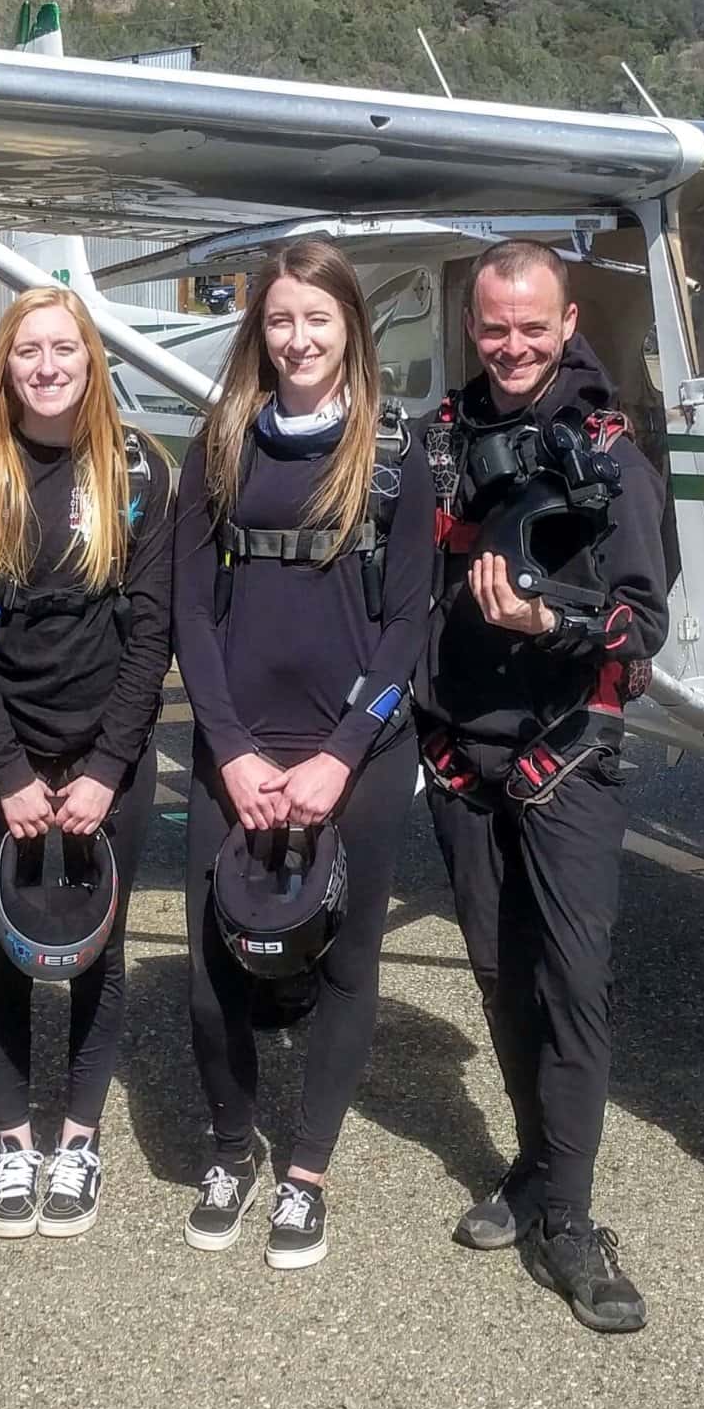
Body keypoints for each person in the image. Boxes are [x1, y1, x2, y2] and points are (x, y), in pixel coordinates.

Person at [419, 239, 668, 1335]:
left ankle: (569, 1216)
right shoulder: (440, 440)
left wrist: (545, 619)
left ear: (568, 325)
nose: (512, 345)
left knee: (571, 983)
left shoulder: (612, 451)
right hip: (457, 757)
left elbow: (644, 624)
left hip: (565, 750)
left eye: (533, 326)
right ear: (471, 327)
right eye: (492, 326)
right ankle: (531, 1166)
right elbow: (403, 593)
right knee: (497, 973)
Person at [172, 239, 433, 1270]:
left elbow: (408, 622)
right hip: (235, 750)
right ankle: (231, 1150)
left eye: (317, 320)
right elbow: (193, 614)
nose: (297, 339)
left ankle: (306, 1171)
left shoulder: (394, 456)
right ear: (259, 330)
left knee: (345, 963)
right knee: (209, 969)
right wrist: (231, 750)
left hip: (354, 752)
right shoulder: (222, 446)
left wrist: (340, 752)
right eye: (280, 320)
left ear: (350, 331)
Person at [0, 287, 177, 1240]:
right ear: (5, 364)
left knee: (97, 953)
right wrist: (13, 774)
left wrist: (108, 766)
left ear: (91, 358)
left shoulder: (137, 470)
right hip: (4, 763)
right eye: (28, 350)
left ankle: (77, 1139)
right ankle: (15, 1147)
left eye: (64, 347)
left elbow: (153, 637)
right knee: (5, 953)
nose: (46, 365)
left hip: (109, 760)